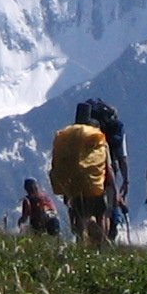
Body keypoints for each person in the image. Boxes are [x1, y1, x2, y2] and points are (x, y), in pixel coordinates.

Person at [49, 100, 111, 247]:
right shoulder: (96, 138)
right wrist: (114, 187)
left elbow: (63, 164)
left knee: (79, 216)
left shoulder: (68, 137)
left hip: (75, 185)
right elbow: (107, 167)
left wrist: (64, 189)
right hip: (95, 184)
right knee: (100, 214)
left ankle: (80, 242)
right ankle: (100, 244)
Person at [91, 98, 129, 242]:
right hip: (108, 171)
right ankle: (104, 242)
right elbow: (123, 157)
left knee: (87, 209)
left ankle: (89, 233)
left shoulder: (90, 131)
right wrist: (126, 180)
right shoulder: (116, 131)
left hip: (87, 170)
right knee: (106, 210)